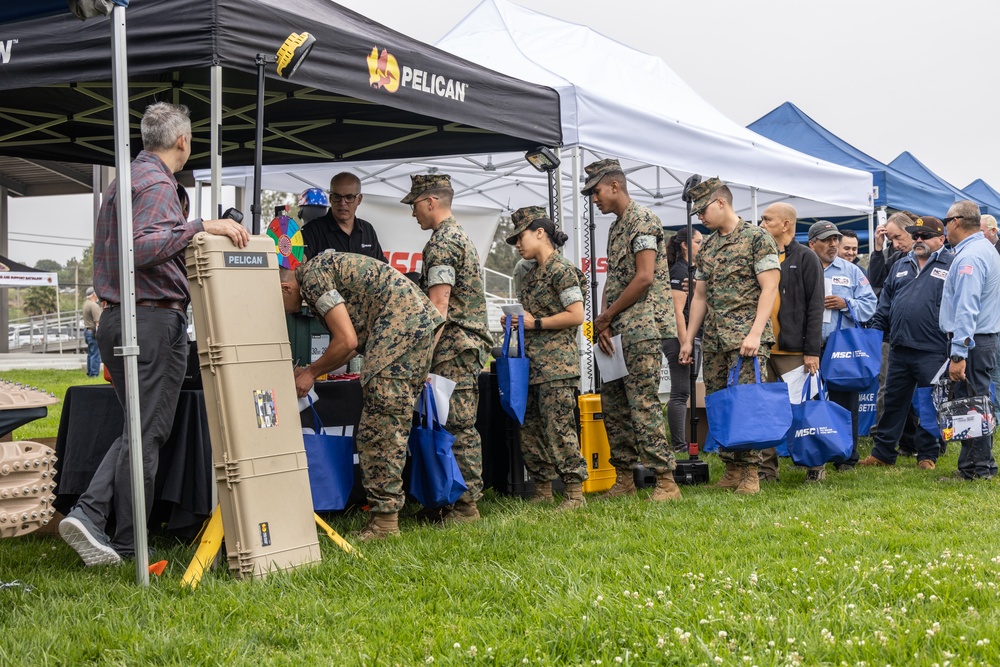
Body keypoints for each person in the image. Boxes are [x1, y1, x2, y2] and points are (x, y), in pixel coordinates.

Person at [59, 102, 249, 566]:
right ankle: (98, 518)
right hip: (150, 319)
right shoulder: (159, 184)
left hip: (119, 317)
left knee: (137, 431)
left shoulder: (126, 179)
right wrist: (201, 225)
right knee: (146, 434)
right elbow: (143, 247)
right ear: (182, 140)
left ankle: (116, 535)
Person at [280, 253, 444, 539]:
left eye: (279, 305)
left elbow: (347, 340)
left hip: (398, 335)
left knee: (379, 432)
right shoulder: (320, 270)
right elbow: (354, 341)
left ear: (285, 288)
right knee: (389, 427)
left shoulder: (313, 278)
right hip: (413, 330)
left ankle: (384, 524)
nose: (285, 313)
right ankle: (393, 515)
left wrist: (310, 373)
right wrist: (314, 369)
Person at [583, 158, 681, 502]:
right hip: (616, 329)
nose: (594, 199)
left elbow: (644, 277)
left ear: (615, 186)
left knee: (642, 404)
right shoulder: (616, 227)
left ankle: (666, 481)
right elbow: (613, 278)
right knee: (615, 406)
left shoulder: (643, 220)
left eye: (596, 191)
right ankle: (623, 478)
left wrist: (607, 316)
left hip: (642, 327)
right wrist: (603, 320)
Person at [679, 177, 780, 495]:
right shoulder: (708, 247)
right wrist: (688, 339)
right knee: (719, 402)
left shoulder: (757, 238)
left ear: (721, 202)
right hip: (715, 340)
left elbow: (770, 288)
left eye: (703, 210)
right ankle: (732, 468)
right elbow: (699, 296)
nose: (700, 217)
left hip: (746, 339)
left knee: (746, 403)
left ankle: (751, 472)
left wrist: (754, 334)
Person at [404, 173, 493, 523]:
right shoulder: (457, 236)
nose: (413, 213)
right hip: (458, 346)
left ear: (431, 202)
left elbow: (438, 307)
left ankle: (466, 506)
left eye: (414, 205)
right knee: (445, 425)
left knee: (457, 426)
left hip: (454, 348)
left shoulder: (442, 243)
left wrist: (424, 355)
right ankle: (446, 500)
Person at [501, 206, 589, 510]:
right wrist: (515, 321)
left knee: (559, 429)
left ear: (540, 233)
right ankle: (542, 489)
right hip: (531, 365)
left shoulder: (561, 270)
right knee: (531, 430)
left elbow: (576, 315)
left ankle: (574, 493)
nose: (517, 244)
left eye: (520, 237)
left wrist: (534, 323)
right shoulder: (530, 274)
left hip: (557, 366)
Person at [861, 216, 952, 470]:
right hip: (899, 346)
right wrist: (875, 332)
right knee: (893, 401)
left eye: (925, 236)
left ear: (941, 238)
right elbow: (885, 303)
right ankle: (882, 453)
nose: (919, 239)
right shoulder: (901, 263)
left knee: (929, 404)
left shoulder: (951, 264)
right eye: (915, 235)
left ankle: (927, 454)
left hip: (933, 348)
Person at [758, 203, 825, 482]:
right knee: (765, 410)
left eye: (767, 220)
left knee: (804, 410)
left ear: (786, 224)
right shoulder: (761, 255)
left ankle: (815, 464)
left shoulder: (807, 257)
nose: (761, 224)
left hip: (795, 350)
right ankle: (766, 469)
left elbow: (816, 307)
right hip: (763, 349)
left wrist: (812, 351)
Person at [808, 221, 878, 470]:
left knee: (845, 403)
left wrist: (846, 304)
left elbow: (870, 305)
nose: (833, 244)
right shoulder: (802, 267)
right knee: (810, 401)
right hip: (809, 347)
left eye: (835, 239)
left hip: (841, 347)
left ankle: (847, 456)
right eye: (827, 240)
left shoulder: (852, 271)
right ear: (812, 243)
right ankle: (813, 453)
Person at [939, 200, 1000, 480]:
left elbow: (967, 307)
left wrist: (958, 353)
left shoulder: (970, 256)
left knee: (972, 405)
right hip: (982, 338)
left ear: (956, 222)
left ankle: (978, 468)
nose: (944, 227)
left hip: (972, 341)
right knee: (977, 402)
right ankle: (978, 465)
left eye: (946, 221)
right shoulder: (985, 249)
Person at [663, 228, 702, 454]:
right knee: (680, 392)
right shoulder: (679, 270)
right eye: (698, 242)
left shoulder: (692, 269)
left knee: (684, 391)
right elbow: (677, 311)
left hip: (691, 336)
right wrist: (685, 342)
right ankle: (679, 445)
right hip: (680, 337)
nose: (701, 247)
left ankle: (682, 442)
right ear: (685, 245)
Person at [302, 172, 386, 261]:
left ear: (359, 199)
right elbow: (298, 263)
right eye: (337, 197)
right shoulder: (311, 231)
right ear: (330, 198)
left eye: (349, 197)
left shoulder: (367, 229)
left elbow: (382, 267)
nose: (342, 203)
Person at [82, 287, 102, 378]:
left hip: (87, 331)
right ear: (94, 294)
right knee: (95, 354)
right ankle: (94, 374)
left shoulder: (86, 304)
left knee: (90, 353)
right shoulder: (94, 306)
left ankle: (90, 372)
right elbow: (97, 322)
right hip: (93, 332)